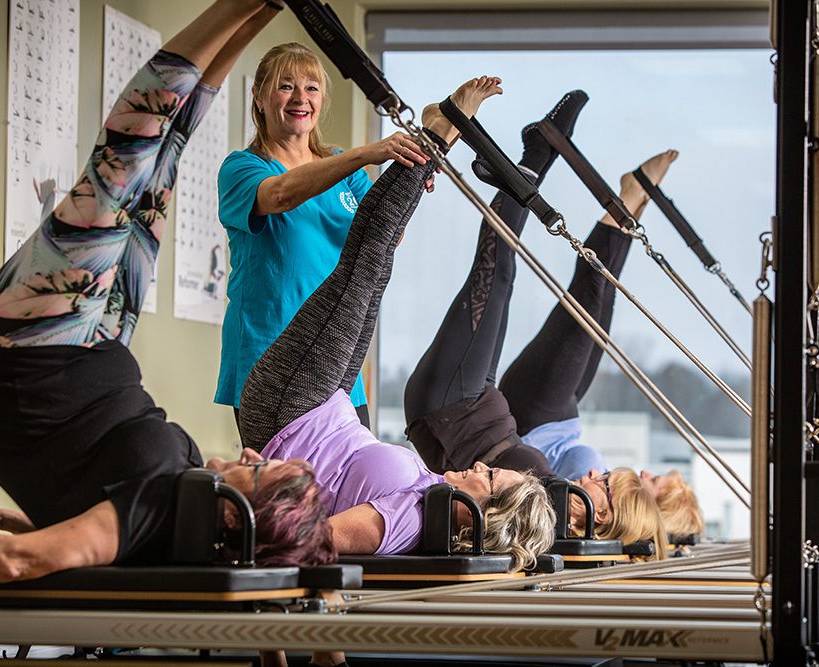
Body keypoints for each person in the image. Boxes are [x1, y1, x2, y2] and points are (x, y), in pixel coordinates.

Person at [0, 0, 334, 584]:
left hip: (30, 361)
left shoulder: (161, 506)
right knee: (164, 159)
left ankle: (239, 4)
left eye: (263, 473)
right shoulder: (180, 509)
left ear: (239, 518)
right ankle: (254, 13)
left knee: (124, 157)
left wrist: (21, 538)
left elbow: (18, 561)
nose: (255, 453)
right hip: (96, 352)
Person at [234, 77, 556, 574]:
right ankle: (437, 137)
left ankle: (438, 132)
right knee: (377, 268)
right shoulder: (432, 498)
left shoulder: (414, 519)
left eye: (490, 480)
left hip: (291, 414)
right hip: (328, 409)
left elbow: (309, 539)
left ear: (483, 518)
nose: (480, 466)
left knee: (365, 260)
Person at [405, 92, 701, 555]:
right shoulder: (564, 503)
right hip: (481, 403)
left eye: (601, 482)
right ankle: (547, 163)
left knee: (497, 268)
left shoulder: (557, 513)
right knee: (519, 280)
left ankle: (532, 154)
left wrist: (646, 543)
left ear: (602, 514)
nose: (591, 474)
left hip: (451, 408)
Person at [215, 41, 431, 430]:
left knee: (359, 484)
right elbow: (279, 194)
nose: (301, 98)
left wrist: (409, 178)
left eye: (311, 88)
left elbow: (386, 234)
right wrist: (365, 154)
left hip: (337, 350)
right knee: (295, 488)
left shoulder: (346, 173)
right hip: (271, 357)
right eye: (286, 86)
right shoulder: (243, 168)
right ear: (259, 97)